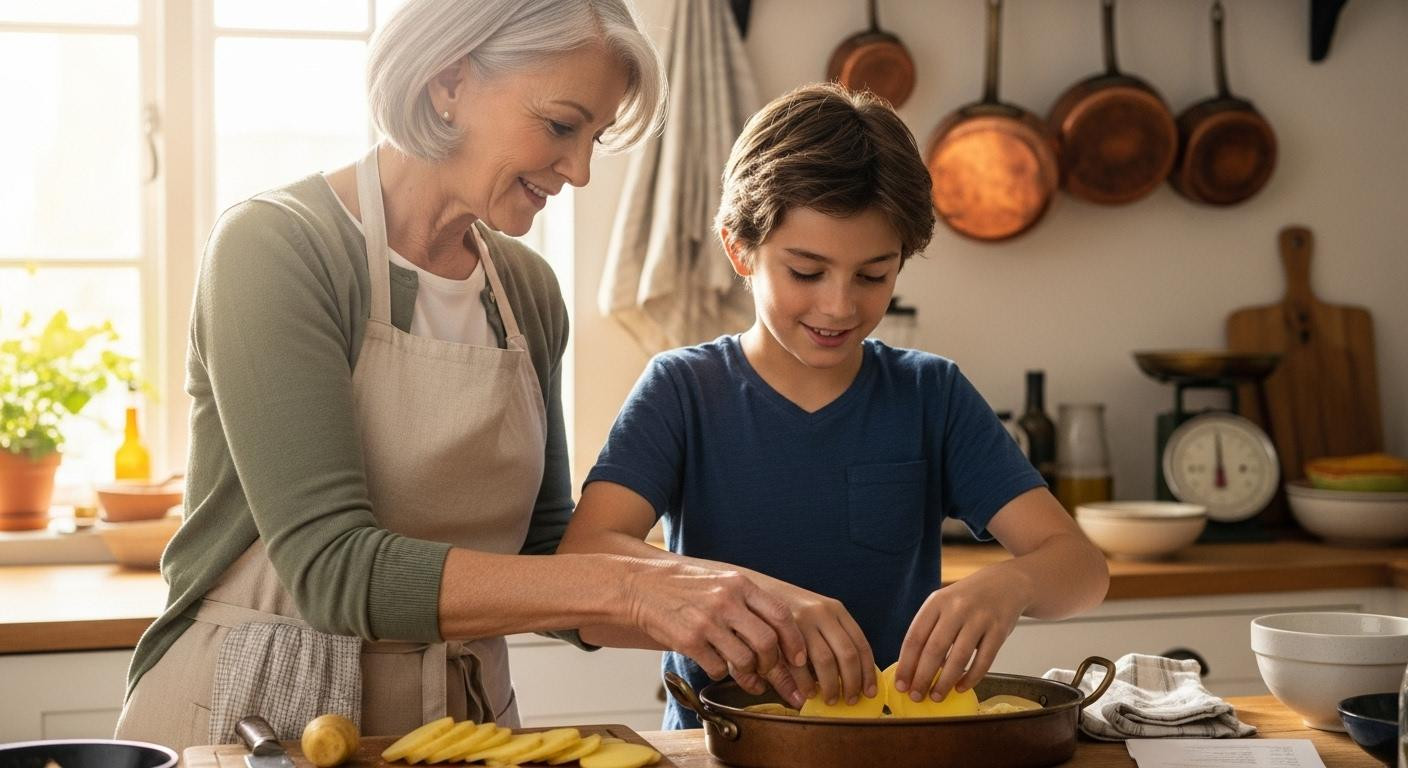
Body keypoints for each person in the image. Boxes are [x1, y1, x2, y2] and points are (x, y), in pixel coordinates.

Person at [116, 0, 811, 751]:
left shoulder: (527, 292)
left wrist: (745, 608)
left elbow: (544, 560)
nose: (578, 170)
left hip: (460, 720)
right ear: (448, 82)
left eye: (595, 139)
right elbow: (333, 569)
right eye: (560, 126)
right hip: (258, 713)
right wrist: (639, 588)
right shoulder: (277, 249)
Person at [558, 83, 1111, 729]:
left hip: (897, 745)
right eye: (807, 272)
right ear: (741, 249)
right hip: (726, 747)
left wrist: (1012, 585)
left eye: (873, 275)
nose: (840, 306)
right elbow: (584, 574)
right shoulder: (683, 390)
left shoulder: (931, 395)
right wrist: (757, 604)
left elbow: (1082, 571)